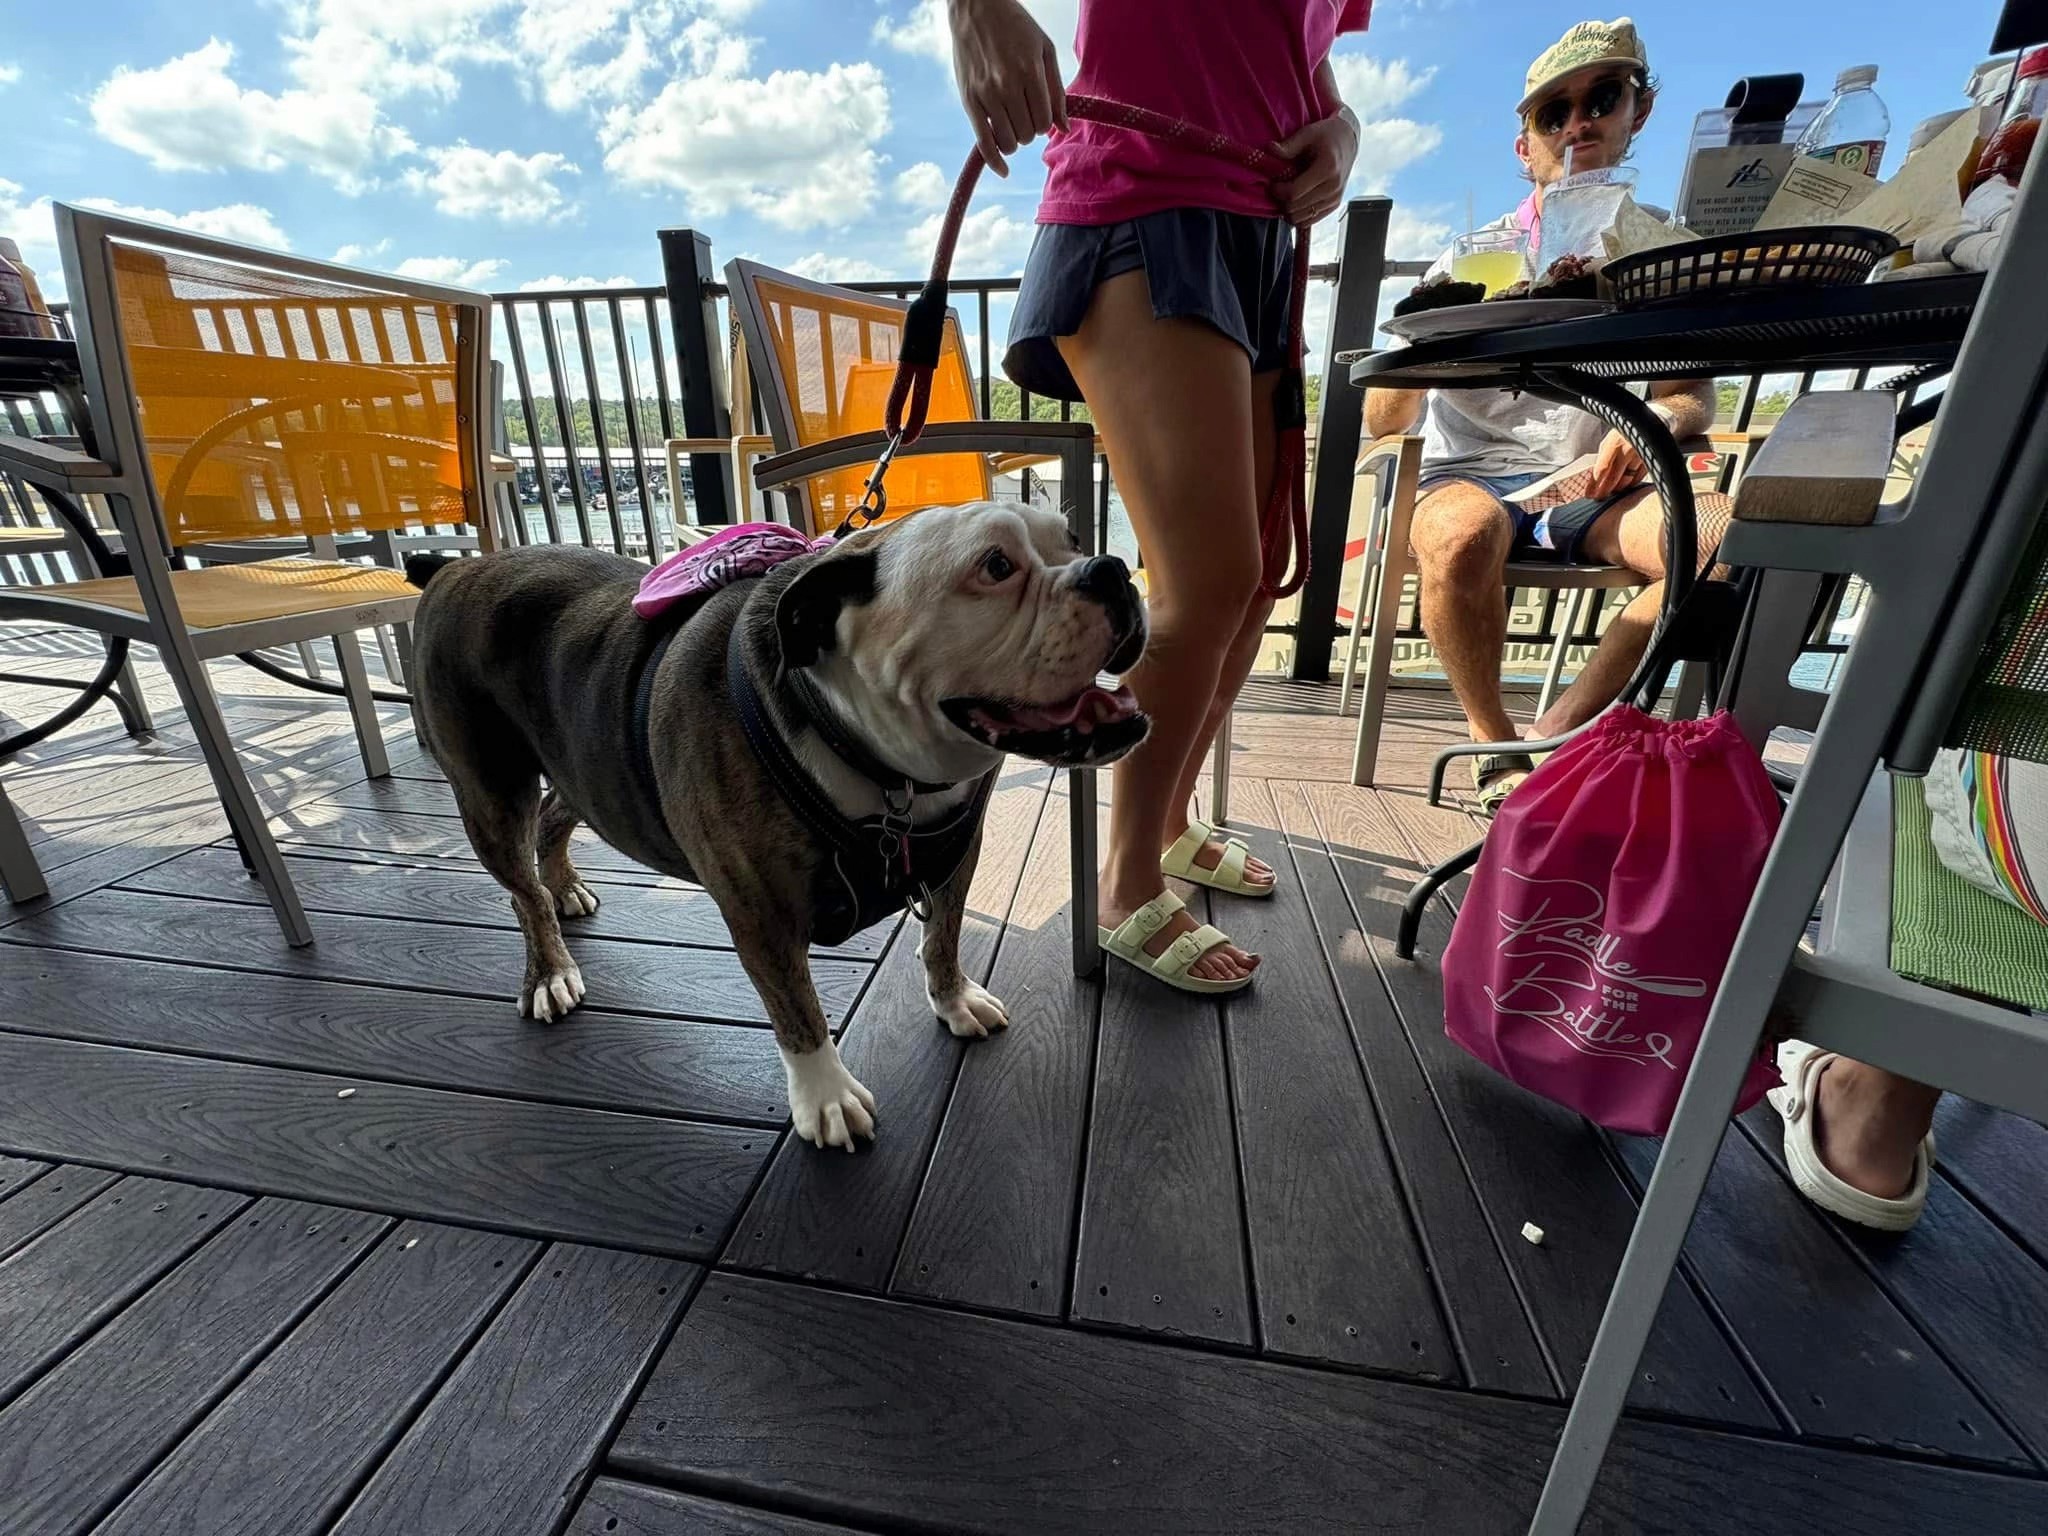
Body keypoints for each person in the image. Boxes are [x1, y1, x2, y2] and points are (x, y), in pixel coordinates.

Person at [945, 0, 1371, 993]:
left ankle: (1170, 825)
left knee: (1256, 574)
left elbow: (1296, 53)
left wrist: (1339, 127)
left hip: (1261, 234)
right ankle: (1125, 884)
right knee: (1207, 579)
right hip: (1142, 194)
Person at [1363, 18, 1723, 813]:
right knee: (1463, 537)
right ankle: (1494, 746)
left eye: (1603, 97)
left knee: (1723, 540)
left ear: (1640, 112)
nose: (1579, 122)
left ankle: (1555, 734)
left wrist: (1649, 430)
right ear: (1524, 145)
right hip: (1468, 478)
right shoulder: (1468, 256)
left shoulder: (1659, 257)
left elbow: (1690, 396)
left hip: (1595, 486)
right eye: (1552, 113)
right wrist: (1427, 330)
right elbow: (1385, 419)